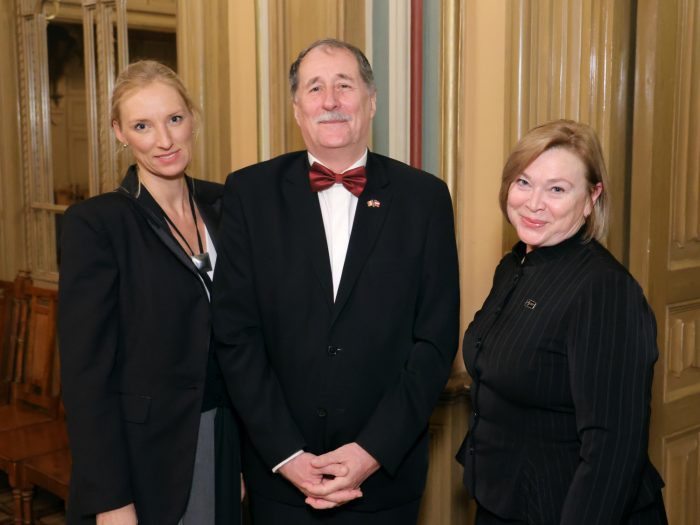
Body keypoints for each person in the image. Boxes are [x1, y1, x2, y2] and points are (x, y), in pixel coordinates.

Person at [212, 38, 460, 523]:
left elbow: (435, 341)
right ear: (297, 108)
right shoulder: (249, 192)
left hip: (385, 481)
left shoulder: (425, 198)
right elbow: (235, 335)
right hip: (280, 481)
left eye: (344, 86)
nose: (330, 100)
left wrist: (372, 451)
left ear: (371, 101)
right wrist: (286, 454)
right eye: (315, 88)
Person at [457, 119, 667, 524]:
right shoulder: (514, 265)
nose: (534, 203)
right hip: (507, 502)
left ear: (591, 199)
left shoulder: (605, 290)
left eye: (557, 189)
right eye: (523, 182)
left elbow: (612, 448)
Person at [58, 60, 240, 525]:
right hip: (145, 458)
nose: (164, 140)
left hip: (226, 438)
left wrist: (247, 454)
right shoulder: (97, 225)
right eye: (142, 125)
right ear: (119, 133)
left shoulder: (228, 205)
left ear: (192, 118)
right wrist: (110, 500)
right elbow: (86, 377)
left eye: (174, 119)